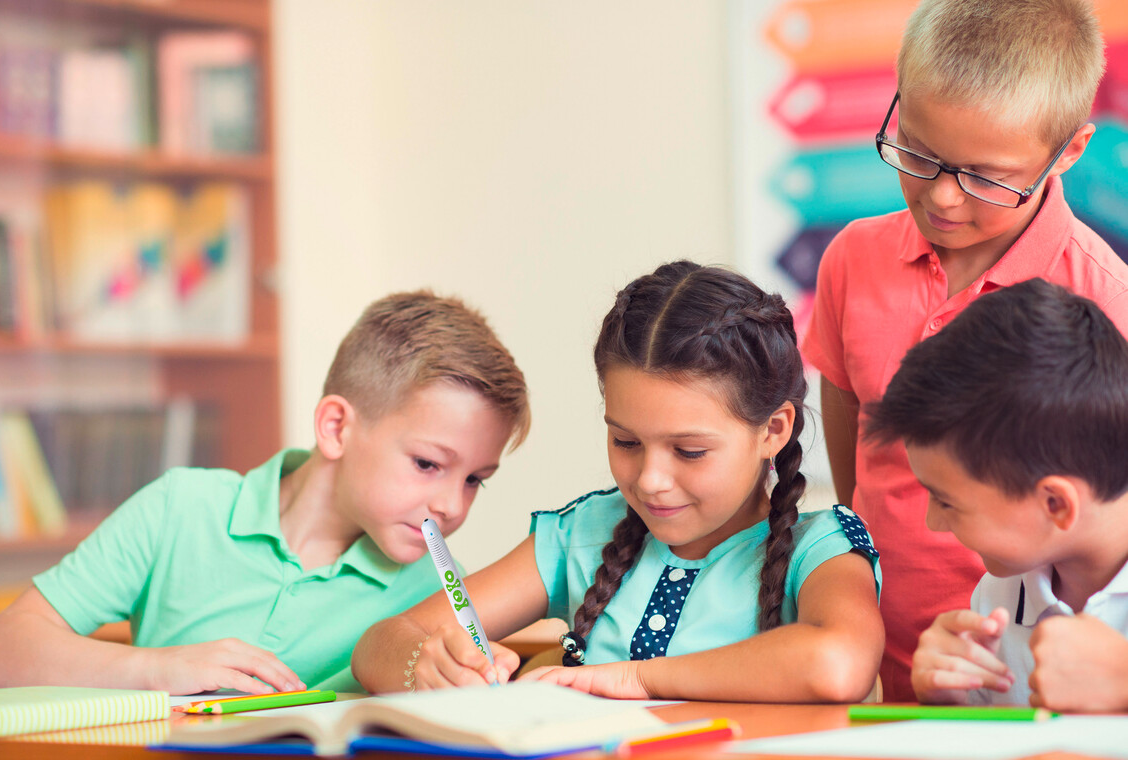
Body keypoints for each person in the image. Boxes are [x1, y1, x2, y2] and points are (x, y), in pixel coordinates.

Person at [353, 261, 883, 702]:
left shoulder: (821, 548)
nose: (650, 480)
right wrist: (423, 664)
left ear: (773, 430)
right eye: (626, 443)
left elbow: (837, 663)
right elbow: (379, 643)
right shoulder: (583, 534)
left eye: (689, 450)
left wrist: (632, 677)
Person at [801, 0, 1128, 701]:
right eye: (919, 153)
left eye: (985, 176)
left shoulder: (1104, 298)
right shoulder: (852, 260)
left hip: (1046, 670)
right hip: (906, 672)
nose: (945, 198)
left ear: (1067, 150)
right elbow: (857, 438)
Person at [0, 291, 529, 695]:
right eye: (428, 463)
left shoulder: (433, 590)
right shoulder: (183, 509)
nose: (452, 506)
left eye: (474, 479)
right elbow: (1, 652)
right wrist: (159, 669)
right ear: (337, 428)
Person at [866, 279, 1128, 712]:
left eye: (946, 501)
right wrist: (951, 701)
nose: (933, 521)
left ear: (1056, 504)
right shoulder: (999, 595)